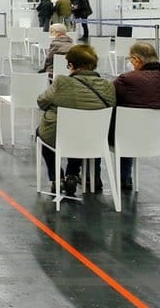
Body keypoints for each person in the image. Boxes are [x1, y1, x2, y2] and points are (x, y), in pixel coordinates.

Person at [36, 45, 115, 196]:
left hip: (61, 136)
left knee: (42, 134)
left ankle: (56, 177)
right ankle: (72, 173)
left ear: (71, 65)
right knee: (80, 132)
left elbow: (42, 102)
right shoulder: (108, 86)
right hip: (93, 137)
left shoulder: (62, 82)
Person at [110, 42, 160, 190]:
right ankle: (125, 177)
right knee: (131, 122)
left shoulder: (127, 79)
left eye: (130, 60)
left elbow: (108, 100)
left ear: (136, 59)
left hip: (124, 137)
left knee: (107, 122)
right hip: (158, 138)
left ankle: (92, 178)